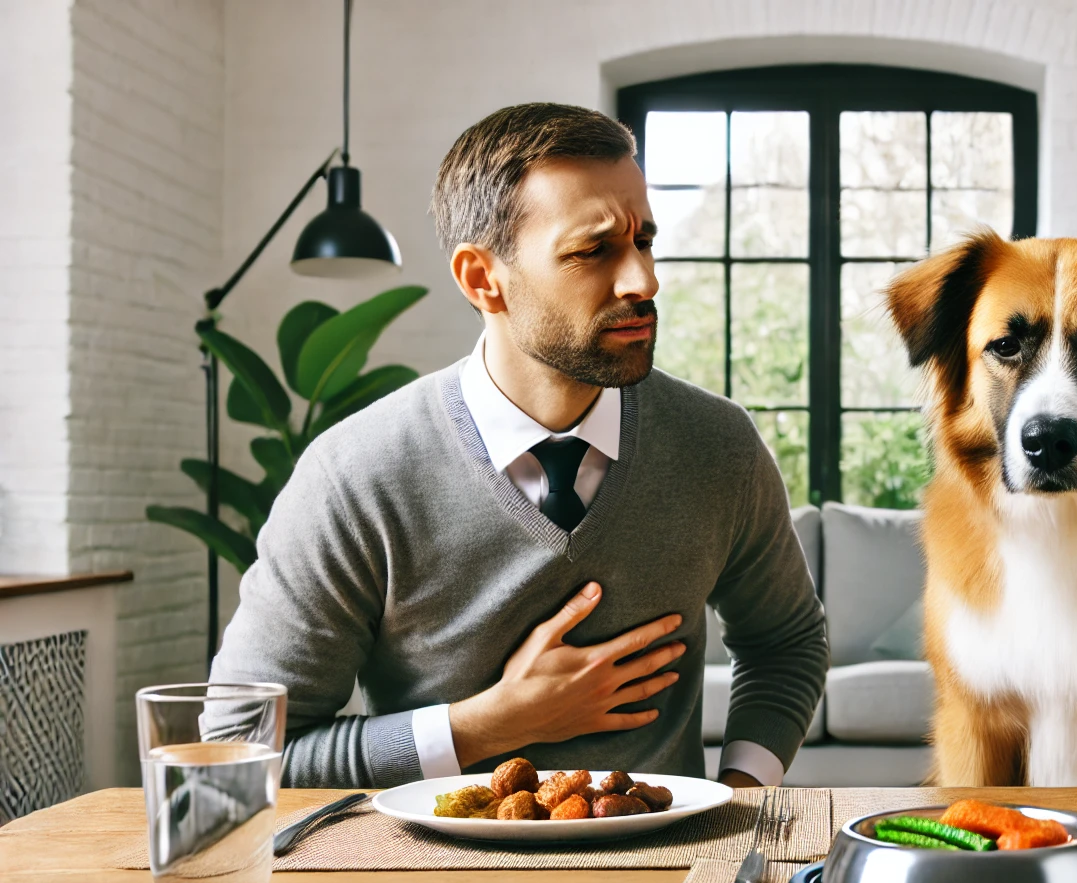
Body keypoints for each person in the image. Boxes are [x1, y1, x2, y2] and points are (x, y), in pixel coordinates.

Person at [210, 103, 827, 789]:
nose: (642, 281)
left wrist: (741, 795)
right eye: (593, 251)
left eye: (644, 242)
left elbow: (787, 643)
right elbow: (243, 750)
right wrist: (490, 724)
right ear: (482, 280)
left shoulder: (717, 447)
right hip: (433, 881)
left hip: (672, 878)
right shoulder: (355, 475)